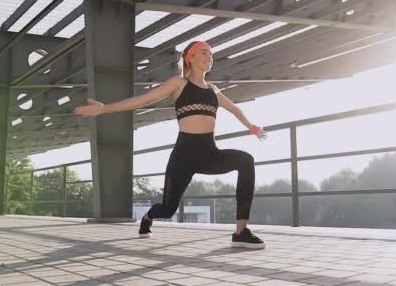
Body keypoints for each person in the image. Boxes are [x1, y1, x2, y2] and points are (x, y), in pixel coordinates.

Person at [74, 41, 268, 249]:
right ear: (190, 58)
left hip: (210, 153)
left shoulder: (213, 90)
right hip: (184, 156)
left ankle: (241, 231)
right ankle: (148, 217)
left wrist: (251, 126)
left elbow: (235, 109)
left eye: (211, 54)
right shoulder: (179, 83)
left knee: (246, 161)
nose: (209, 57)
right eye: (204, 52)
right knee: (168, 209)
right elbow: (143, 100)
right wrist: (105, 109)